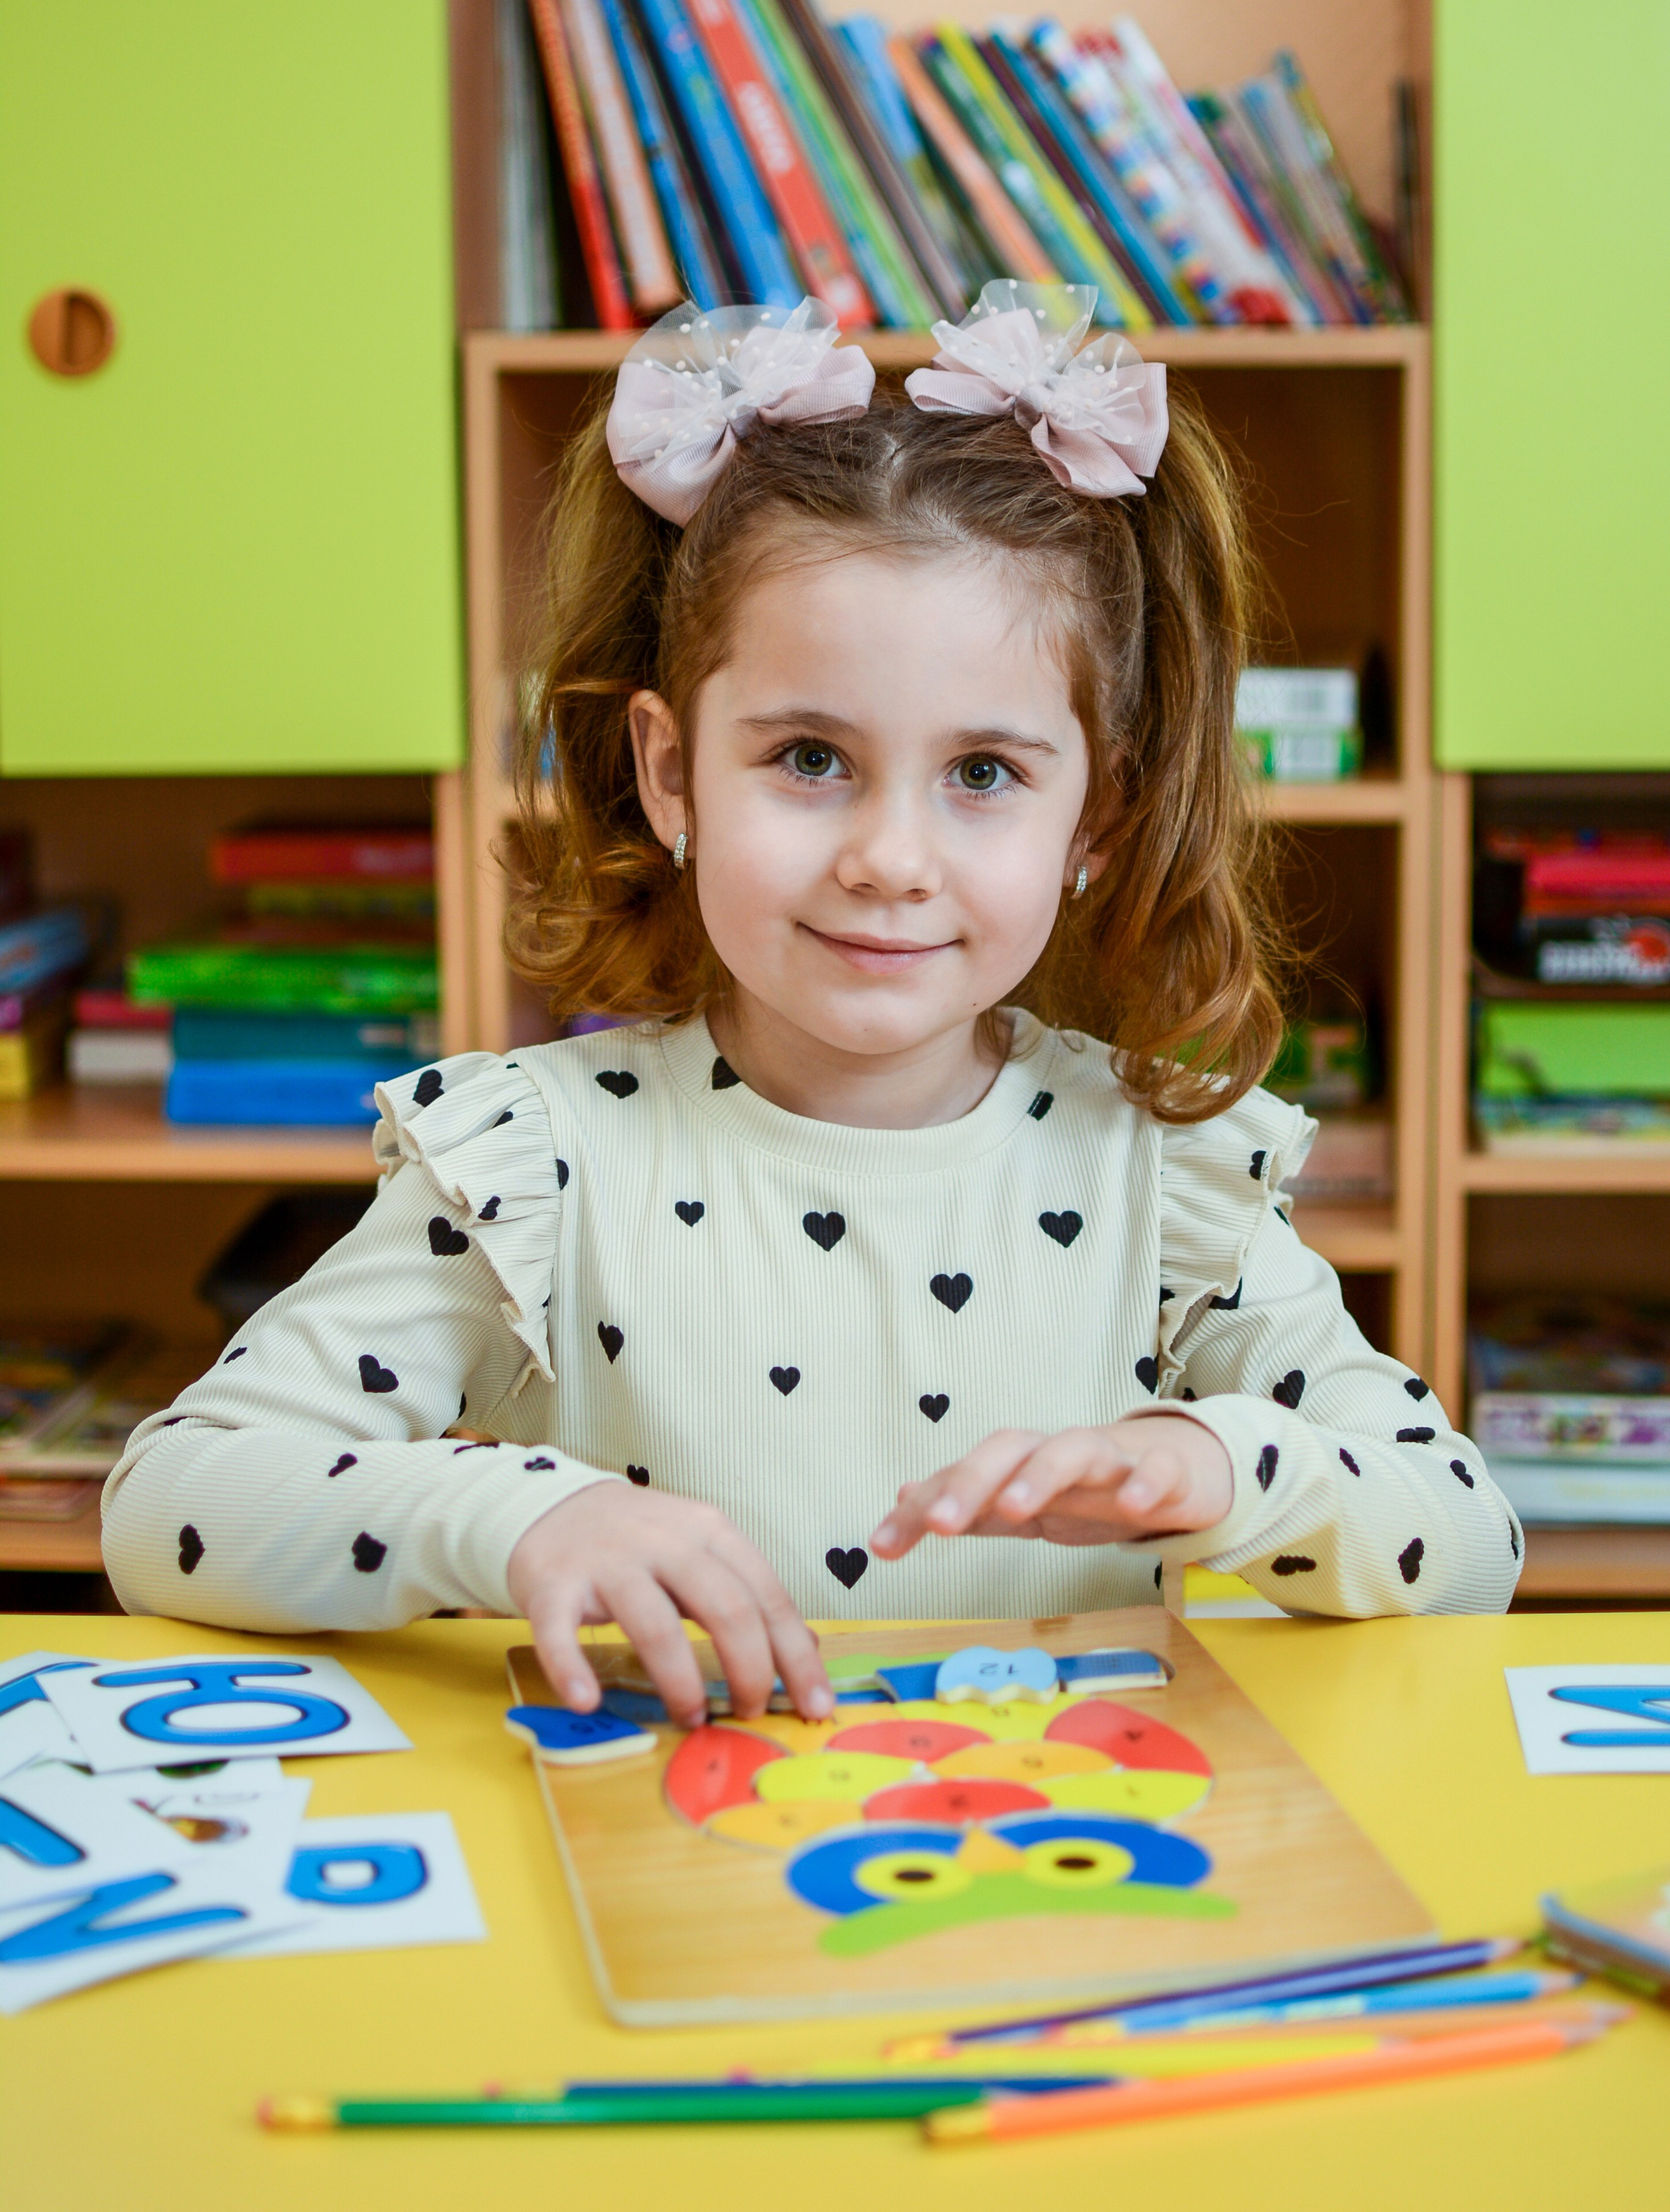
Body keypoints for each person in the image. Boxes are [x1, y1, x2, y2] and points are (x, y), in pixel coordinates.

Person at [104, 283, 1521, 1730]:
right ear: (672, 775)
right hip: (664, 1837)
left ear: (1096, 812)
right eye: (808, 757)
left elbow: (1469, 1537)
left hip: (1057, 1848)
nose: (889, 859)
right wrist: (509, 1515)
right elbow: (171, 1500)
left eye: (983, 773)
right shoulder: (531, 1165)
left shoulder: (1160, 1177)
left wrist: (1222, 1467)